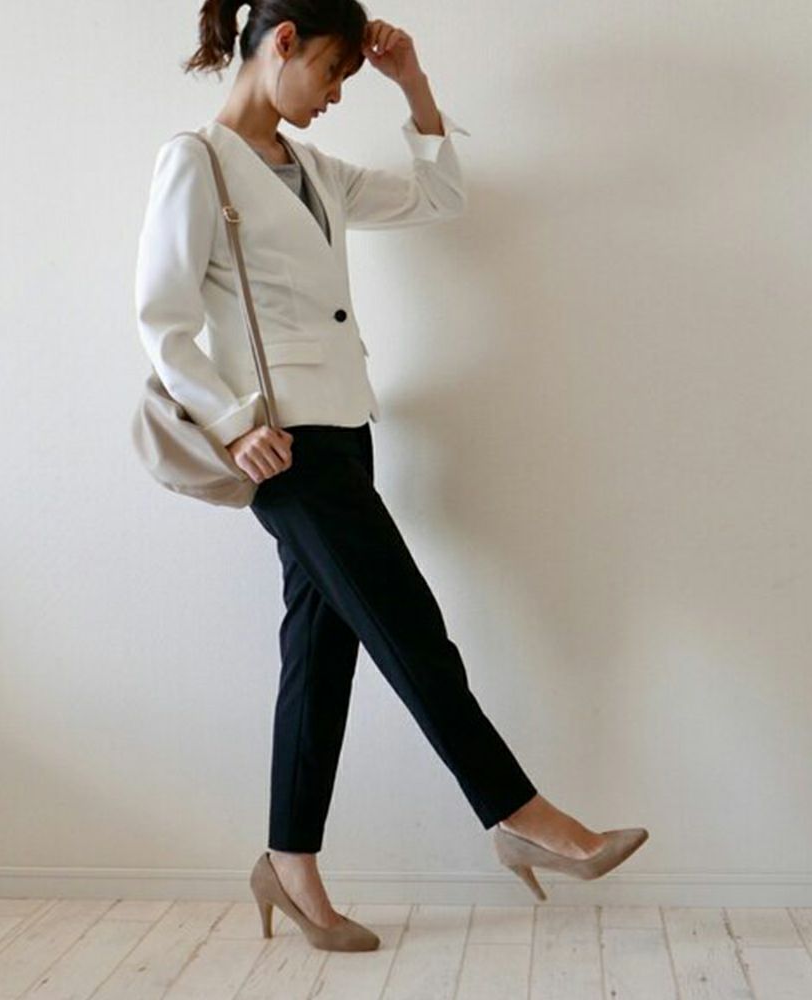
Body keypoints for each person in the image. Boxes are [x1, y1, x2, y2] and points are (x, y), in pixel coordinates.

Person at [136, 0, 648, 953]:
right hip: (283, 449)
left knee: (319, 657)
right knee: (410, 625)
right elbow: (161, 321)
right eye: (333, 71)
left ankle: (288, 863)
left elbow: (439, 198)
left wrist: (413, 86)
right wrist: (236, 425)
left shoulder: (313, 169)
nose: (337, 94)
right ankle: (518, 813)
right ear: (282, 42)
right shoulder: (197, 162)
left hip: (347, 431)